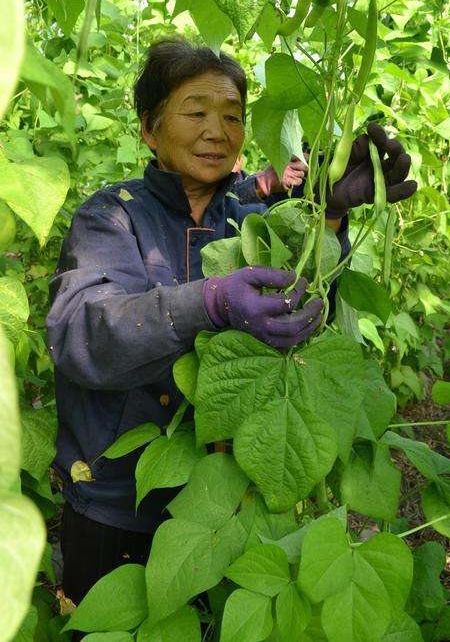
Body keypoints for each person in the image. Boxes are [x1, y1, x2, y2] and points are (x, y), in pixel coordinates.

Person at [47, 38, 417, 616]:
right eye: (195, 112)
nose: (217, 131)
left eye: (233, 117)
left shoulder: (251, 220)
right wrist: (211, 301)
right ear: (149, 128)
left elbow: (305, 315)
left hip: (228, 493)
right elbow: (82, 336)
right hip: (115, 496)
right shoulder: (112, 216)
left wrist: (333, 216)